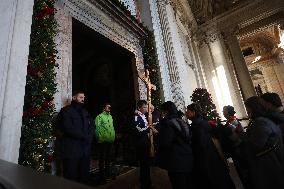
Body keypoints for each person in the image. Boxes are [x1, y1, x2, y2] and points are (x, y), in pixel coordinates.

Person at [186, 103, 235, 189]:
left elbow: (200, 144)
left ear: (193, 112)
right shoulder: (203, 122)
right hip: (213, 156)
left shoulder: (197, 126)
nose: (186, 113)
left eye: (188, 111)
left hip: (206, 158)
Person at [242, 96, 284, 189]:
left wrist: (243, 136)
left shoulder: (260, 123)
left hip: (268, 165)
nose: (247, 110)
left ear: (254, 107)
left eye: (248, 107)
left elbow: (255, 145)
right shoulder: (265, 120)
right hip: (272, 162)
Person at [56, 91, 93, 184]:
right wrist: (84, 136)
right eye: (80, 97)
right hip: (71, 150)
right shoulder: (65, 111)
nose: (83, 99)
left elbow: (92, 126)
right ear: (74, 98)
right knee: (70, 177)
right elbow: (67, 127)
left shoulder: (85, 112)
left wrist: (90, 137)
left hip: (85, 150)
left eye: (84, 97)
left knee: (84, 176)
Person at [156, 101, 193, 189]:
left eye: (162, 111)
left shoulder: (167, 123)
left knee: (178, 184)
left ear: (166, 111)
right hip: (188, 157)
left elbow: (165, 142)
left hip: (176, 161)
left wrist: (158, 135)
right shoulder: (182, 121)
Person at [134, 100, 152, 189]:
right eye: (144, 107)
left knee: (146, 165)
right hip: (141, 144)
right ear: (139, 108)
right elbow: (139, 131)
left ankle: (145, 181)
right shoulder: (137, 117)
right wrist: (148, 128)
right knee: (144, 165)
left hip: (145, 143)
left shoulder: (143, 116)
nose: (146, 109)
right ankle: (145, 184)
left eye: (146, 107)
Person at [95, 103, 115, 183]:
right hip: (103, 141)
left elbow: (111, 128)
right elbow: (97, 129)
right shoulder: (99, 117)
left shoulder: (110, 116)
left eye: (110, 106)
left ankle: (107, 173)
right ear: (104, 108)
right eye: (108, 107)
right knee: (102, 159)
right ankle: (101, 175)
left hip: (110, 140)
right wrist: (99, 139)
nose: (110, 107)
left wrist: (113, 137)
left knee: (108, 158)